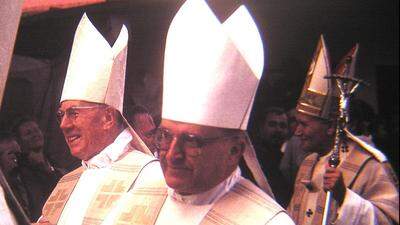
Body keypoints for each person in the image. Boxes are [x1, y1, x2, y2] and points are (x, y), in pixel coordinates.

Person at [102, 1, 294, 224]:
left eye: (192, 141)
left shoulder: (266, 221)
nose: (173, 154)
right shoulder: (140, 195)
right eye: (165, 135)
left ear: (235, 150)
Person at [38, 13, 159, 225]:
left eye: (74, 113)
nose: (64, 125)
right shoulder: (67, 183)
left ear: (108, 118)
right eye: (61, 115)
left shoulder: (150, 176)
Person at [287, 36, 399, 225]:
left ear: (331, 126)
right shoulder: (307, 163)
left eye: (304, 124)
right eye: (297, 123)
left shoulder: (368, 164)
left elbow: (390, 220)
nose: (297, 131)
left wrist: (345, 197)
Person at [10, 117, 65, 221]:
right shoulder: (20, 175)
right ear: (19, 141)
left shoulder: (57, 166)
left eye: (36, 130)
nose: (35, 134)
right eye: (28, 133)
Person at [254, 107, 291, 207]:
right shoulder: (252, 158)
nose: (278, 130)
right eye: (272, 124)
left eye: (282, 126)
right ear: (261, 128)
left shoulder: (288, 162)